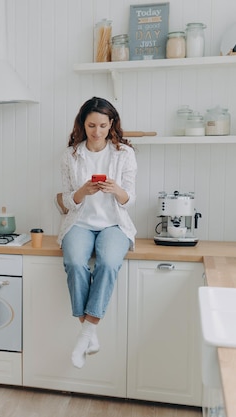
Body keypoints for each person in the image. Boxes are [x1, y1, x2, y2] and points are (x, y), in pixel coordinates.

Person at [57, 96, 137, 369]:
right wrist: (81, 193)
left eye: (103, 125)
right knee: (75, 263)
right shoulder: (71, 155)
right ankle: (89, 331)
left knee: (108, 263)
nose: (97, 131)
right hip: (79, 224)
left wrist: (116, 191)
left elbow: (130, 199)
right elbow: (67, 200)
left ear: (111, 123)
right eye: (91, 125)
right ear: (83, 124)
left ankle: (86, 334)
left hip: (114, 224)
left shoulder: (124, 154)